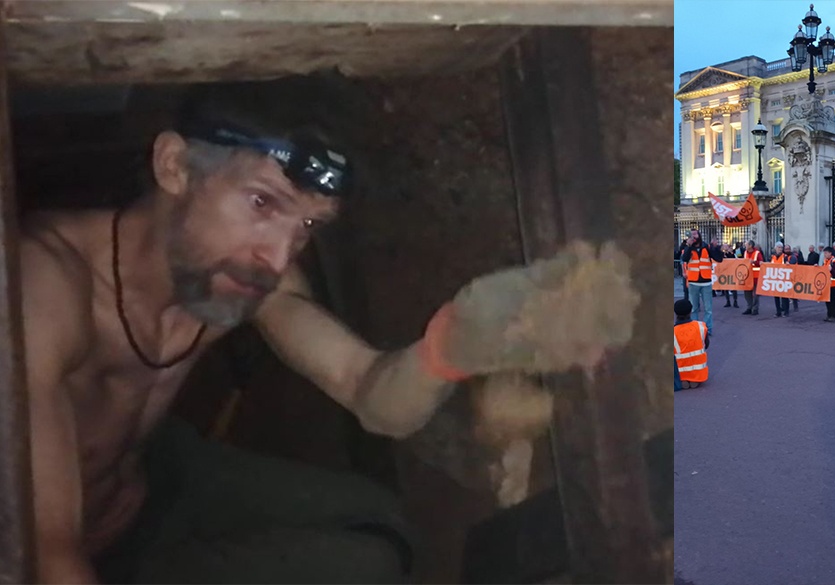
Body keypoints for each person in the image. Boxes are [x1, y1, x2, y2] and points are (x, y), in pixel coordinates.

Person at [23, 79, 637, 584]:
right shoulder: (42, 287)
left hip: (148, 481)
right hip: (45, 545)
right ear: (175, 165)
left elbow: (365, 385)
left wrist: (455, 341)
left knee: (379, 533)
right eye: (263, 204)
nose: (278, 254)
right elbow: (47, 555)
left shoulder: (242, 274)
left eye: (308, 225)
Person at [681, 228, 722, 336]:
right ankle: (695, 329)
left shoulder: (707, 247)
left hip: (706, 283)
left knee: (708, 309)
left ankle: (708, 330)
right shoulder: (688, 248)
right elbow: (684, 259)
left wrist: (715, 247)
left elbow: (719, 259)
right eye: (692, 235)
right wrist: (688, 246)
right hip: (693, 282)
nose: (694, 236)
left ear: (699, 235)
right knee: (694, 309)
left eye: (695, 234)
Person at [673, 299, 709, 390]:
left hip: (681, 371)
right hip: (699, 372)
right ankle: (695, 380)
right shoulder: (701, 326)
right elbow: (706, 344)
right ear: (690, 311)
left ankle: (684, 380)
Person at [742, 240, 764, 315]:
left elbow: (761, 263)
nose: (745, 245)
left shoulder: (757, 253)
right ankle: (749, 307)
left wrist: (754, 262)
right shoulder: (745, 252)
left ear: (750, 245)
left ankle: (755, 309)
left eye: (746, 244)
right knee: (747, 293)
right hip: (747, 276)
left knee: (755, 294)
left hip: (755, 276)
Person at [769, 243, 790, 317]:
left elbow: (788, 266)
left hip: (783, 279)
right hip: (776, 279)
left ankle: (786, 311)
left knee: (784, 296)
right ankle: (778, 311)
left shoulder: (785, 257)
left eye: (781, 247)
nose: (780, 249)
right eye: (778, 247)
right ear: (775, 248)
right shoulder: (773, 257)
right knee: (776, 297)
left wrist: (788, 264)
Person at [822, 247, 835, 322]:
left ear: (830, 253)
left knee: (832, 300)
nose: (825, 254)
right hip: (827, 283)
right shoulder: (826, 261)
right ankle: (829, 314)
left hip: (833, 283)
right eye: (824, 253)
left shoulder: (834, 261)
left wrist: (832, 270)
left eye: (826, 253)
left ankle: (833, 315)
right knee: (827, 300)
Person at [721, 243, 740, 307]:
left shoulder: (734, 253)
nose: (725, 248)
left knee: (734, 288)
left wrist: (730, 253)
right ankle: (728, 301)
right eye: (724, 246)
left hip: (732, 272)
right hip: (725, 272)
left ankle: (735, 301)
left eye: (726, 246)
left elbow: (737, 259)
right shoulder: (722, 254)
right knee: (726, 287)